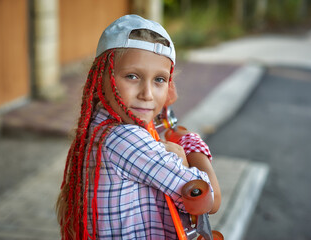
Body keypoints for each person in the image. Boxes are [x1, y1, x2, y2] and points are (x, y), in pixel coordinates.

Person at [56, 14, 221, 240]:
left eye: (160, 80)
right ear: (100, 78)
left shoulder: (99, 124)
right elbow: (210, 201)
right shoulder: (126, 138)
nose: (147, 94)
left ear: (170, 87)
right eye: (132, 76)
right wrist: (192, 148)